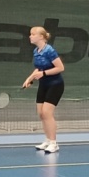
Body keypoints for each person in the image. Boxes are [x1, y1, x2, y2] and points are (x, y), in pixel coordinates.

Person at [22, 26, 65, 154]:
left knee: (47, 113)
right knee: (41, 113)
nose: (30, 36)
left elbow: (60, 68)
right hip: (43, 84)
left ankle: (53, 143)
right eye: (30, 34)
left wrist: (44, 74)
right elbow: (38, 68)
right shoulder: (36, 51)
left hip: (55, 84)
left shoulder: (49, 50)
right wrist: (29, 79)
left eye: (33, 34)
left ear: (41, 36)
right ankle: (47, 140)